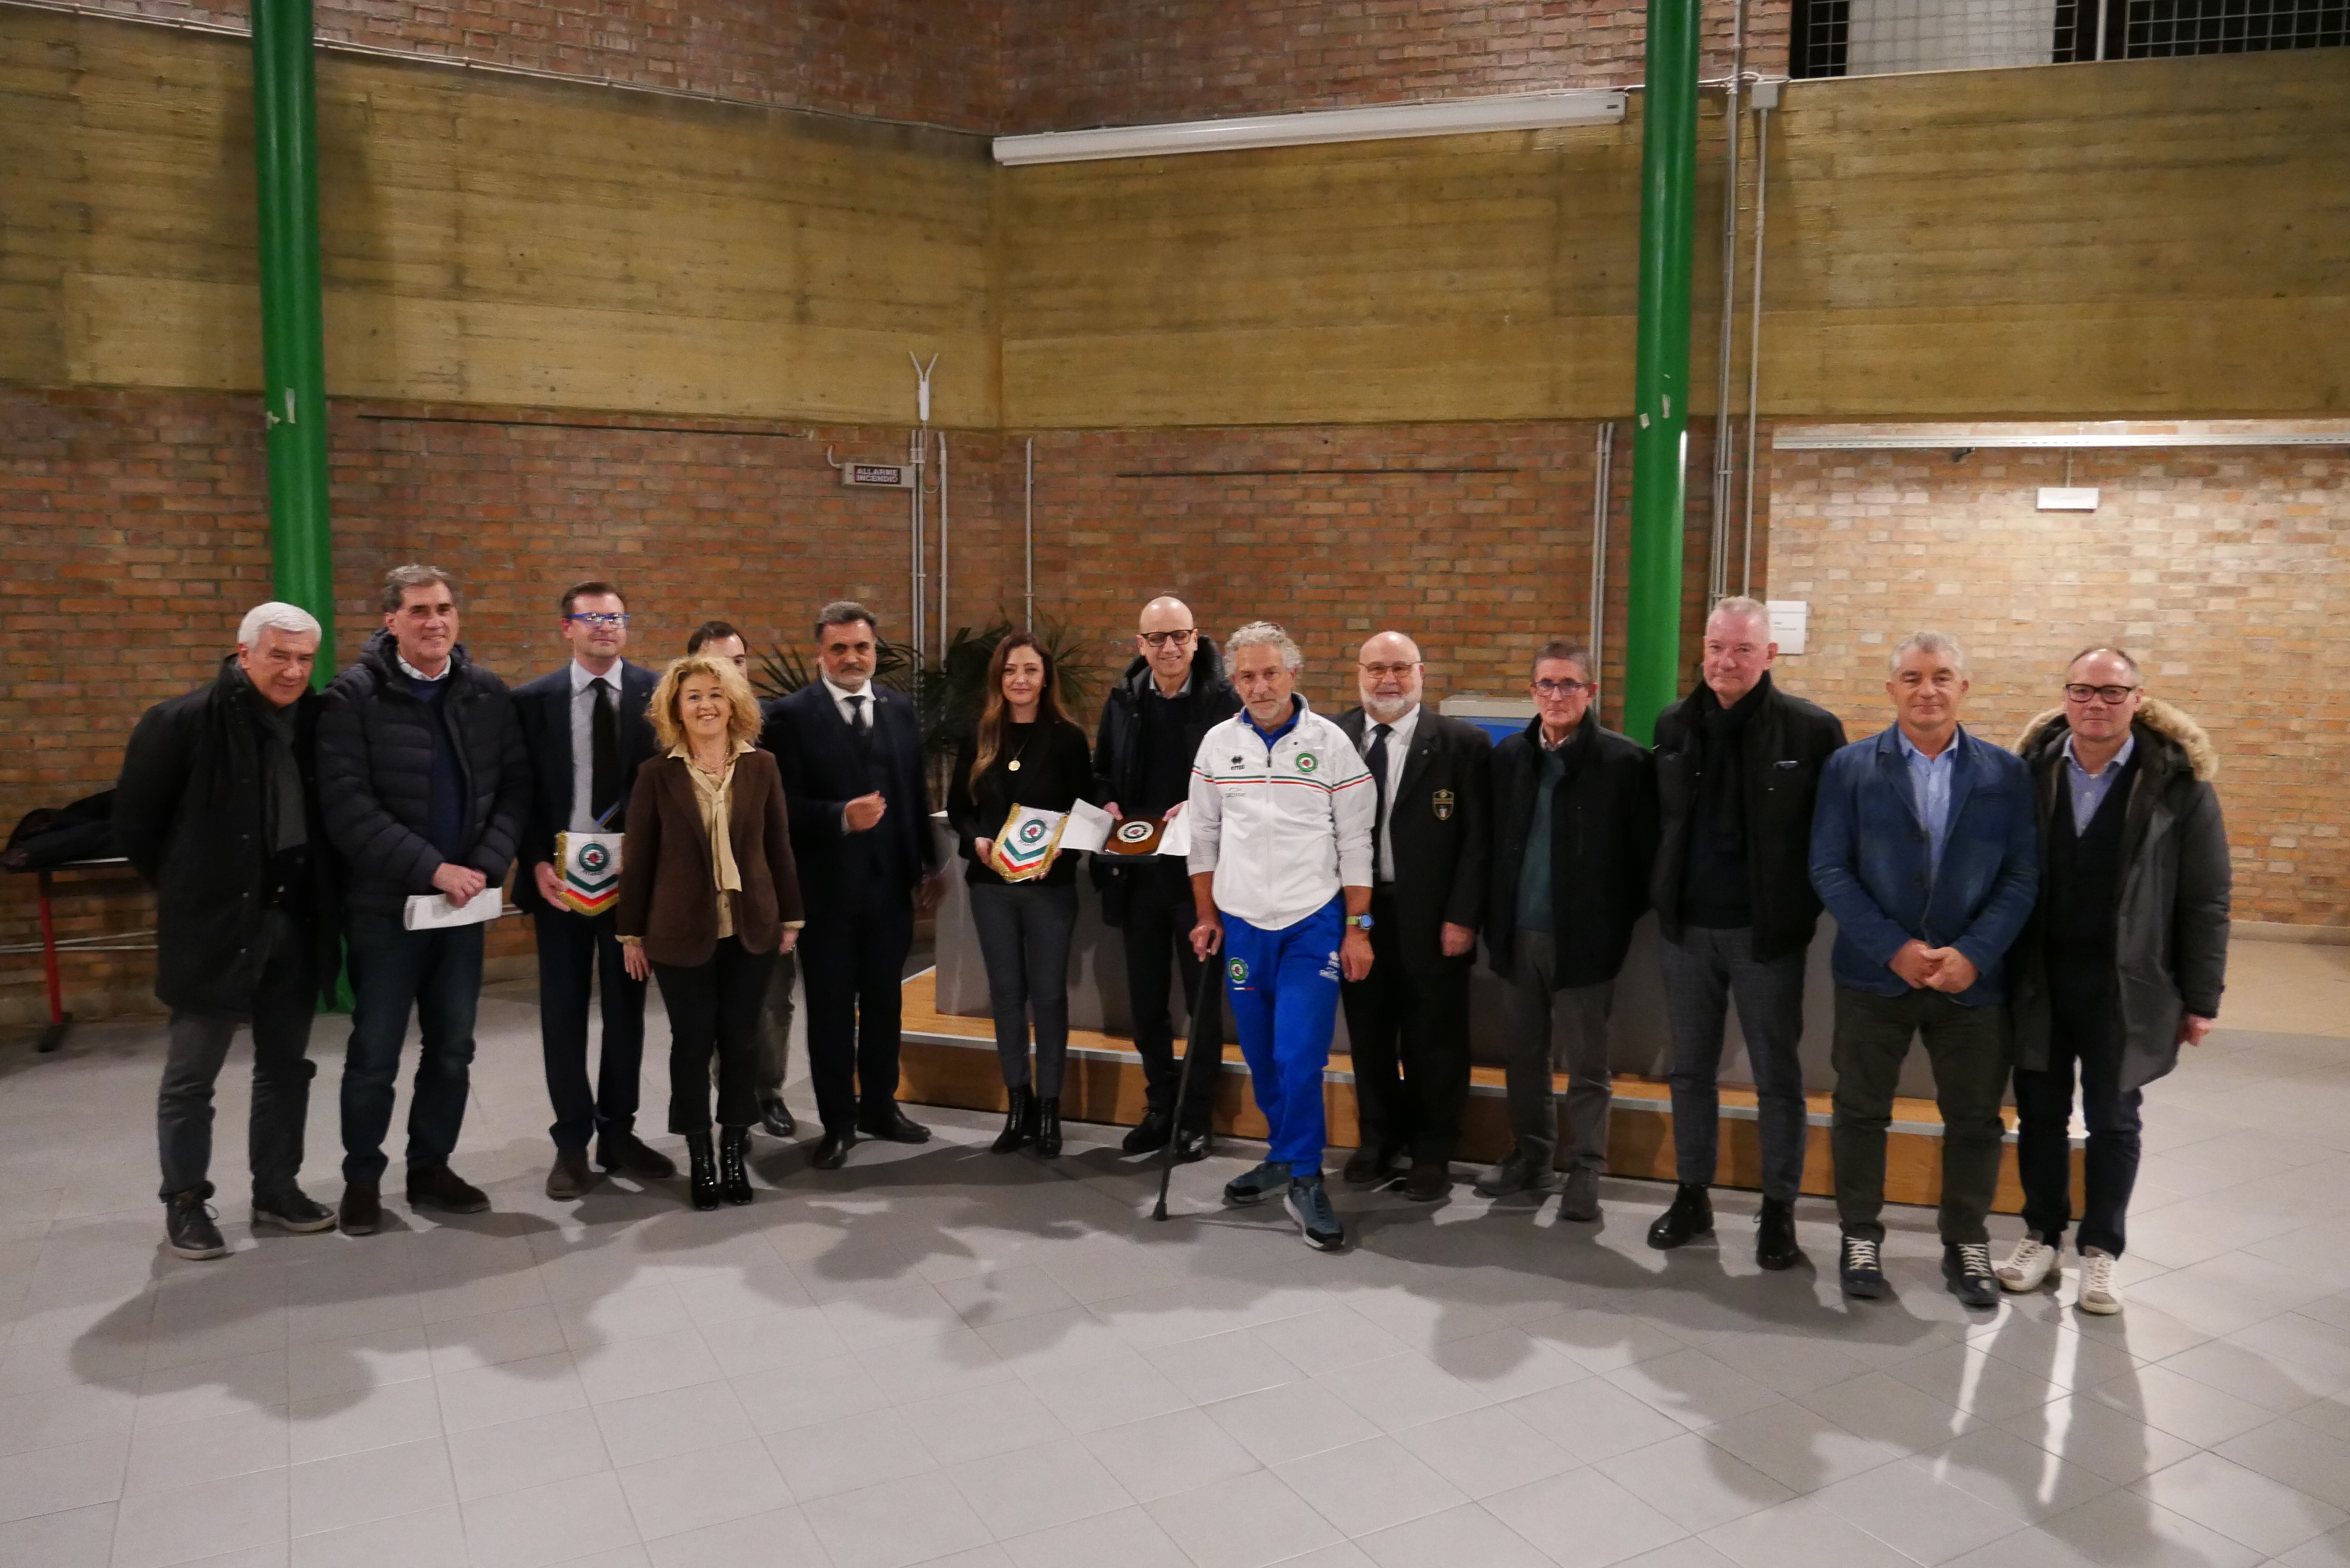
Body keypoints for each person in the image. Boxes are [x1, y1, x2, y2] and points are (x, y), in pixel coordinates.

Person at [1810, 630, 2037, 1308]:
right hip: (1874, 974)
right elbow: (1829, 867)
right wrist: (1893, 948)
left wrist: (1974, 953)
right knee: (1859, 1111)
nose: (1927, 690)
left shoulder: (2005, 774)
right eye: (1911, 677)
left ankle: (1966, 1239)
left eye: (1941, 677)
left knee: (1975, 1119)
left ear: (1963, 688)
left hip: (1971, 980)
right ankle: (1859, 1235)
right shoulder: (1849, 768)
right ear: (1891, 689)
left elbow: (2021, 876)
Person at [2000, 648, 2228, 1315]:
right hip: (2040, 977)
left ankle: (2101, 1250)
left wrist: (2201, 997)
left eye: (2110, 692)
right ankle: (2042, 1235)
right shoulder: (2030, 772)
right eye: (2081, 690)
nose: (2094, 703)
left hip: (2126, 984)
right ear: (2064, 697)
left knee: (2113, 1118)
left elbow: (2206, 900)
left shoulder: (2178, 785)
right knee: (2039, 1113)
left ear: (2137, 699)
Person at [116, 603, 344, 1259]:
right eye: (280, 656)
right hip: (214, 928)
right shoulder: (180, 722)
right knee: (192, 1076)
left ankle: (276, 1189)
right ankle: (185, 1201)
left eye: (304, 659)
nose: (293, 671)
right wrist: (193, 889)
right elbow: (137, 826)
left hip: (295, 921)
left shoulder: (317, 721)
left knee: (285, 1067)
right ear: (244, 654)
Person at [319, 565, 530, 1235]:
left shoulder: (486, 692)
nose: (434, 621)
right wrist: (433, 869)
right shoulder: (352, 697)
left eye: (443, 608)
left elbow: (516, 787)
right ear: (391, 621)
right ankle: (361, 1181)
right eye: (418, 610)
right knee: (375, 1054)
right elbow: (346, 806)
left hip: (462, 909)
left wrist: (485, 867)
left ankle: (431, 1169)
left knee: (452, 1048)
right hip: (385, 909)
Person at [1645, 598, 1847, 1267]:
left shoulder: (1811, 731)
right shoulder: (1673, 724)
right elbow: (1660, 821)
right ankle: (1692, 1194)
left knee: (1776, 1077)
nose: (1725, 661)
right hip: (1686, 932)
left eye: (1741, 649)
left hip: (1767, 937)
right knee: (1689, 1072)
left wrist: (1798, 907)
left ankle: (1778, 1210)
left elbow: (1832, 833)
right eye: (1715, 647)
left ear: (1769, 655)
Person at [1188, 622, 1376, 1252]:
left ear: (1293, 673)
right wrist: (1207, 915)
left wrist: (1358, 928)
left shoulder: (1331, 745)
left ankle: (1304, 1175)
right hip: (1243, 925)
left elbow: (1355, 842)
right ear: (1233, 682)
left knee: (1299, 1054)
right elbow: (1202, 839)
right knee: (1263, 1056)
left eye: (1270, 673)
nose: (1259, 686)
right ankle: (1282, 1154)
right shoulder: (1217, 745)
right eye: (1246, 676)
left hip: (1311, 924)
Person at [1473, 642, 1658, 1224]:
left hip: (1585, 944)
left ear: (1590, 692)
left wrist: (1607, 923)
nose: (1557, 695)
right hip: (1516, 935)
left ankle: (1586, 1168)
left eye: (1569, 684)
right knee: (1524, 1057)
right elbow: (1490, 845)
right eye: (1546, 684)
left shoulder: (1625, 763)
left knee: (1587, 1065)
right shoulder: (1509, 758)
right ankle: (1531, 1158)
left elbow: (1643, 862)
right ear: (1532, 691)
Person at [615, 655, 803, 1209]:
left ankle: (733, 1149)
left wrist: (791, 917)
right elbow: (639, 858)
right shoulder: (657, 774)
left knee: (742, 1042)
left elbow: (778, 845)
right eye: (693, 696)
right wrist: (631, 934)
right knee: (693, 1043)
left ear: (734, 703)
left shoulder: (762, 766)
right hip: (678, 931)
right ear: (676, 708)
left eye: (716, 694)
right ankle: (699, 1154)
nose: (706, 705)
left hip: (751, 928)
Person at [764, 602, 947, 1169]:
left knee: (885, 1005)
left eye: (861, 647)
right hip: (824, 895)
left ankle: (880, 1108)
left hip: (890, 890)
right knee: (831, 1014)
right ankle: (838, 1123)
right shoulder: (790, 716)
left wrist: (929, 865)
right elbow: (781, 807)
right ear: (820, 653)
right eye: (839, 648)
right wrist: (841, 816)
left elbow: (913, 793)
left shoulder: (898, 709)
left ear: (875, 651)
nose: (851, 658)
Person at [512, 581, 672, 1201]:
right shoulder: (533, 702)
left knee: (627, 1010)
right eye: (592, 617)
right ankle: (572, 1142)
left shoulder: (658, 694)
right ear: (566, 628)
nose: (606, 626)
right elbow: (518, 790)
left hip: (631, 880)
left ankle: (618, 1133)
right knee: (563, 1012)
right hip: (559, 882)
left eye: (615, 616)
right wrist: (532, 861)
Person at [1333, 631, 1490, 1201]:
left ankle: (1432, 1150)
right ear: (1359, 673)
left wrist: (1462, 917)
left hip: (1433, 917)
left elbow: (1478, 842)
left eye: (1400, 667)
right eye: (1376, 668)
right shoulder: (1332, 739)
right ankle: (1378, 1138)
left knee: (1434, 1040)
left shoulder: (1461, 744)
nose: (1387, 679)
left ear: (1421, 672)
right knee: (1368, 1033)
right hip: (1358, 915)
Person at [1094, 596, 1239, 1161]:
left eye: (1179, 635)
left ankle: (1194, 1116)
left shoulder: (1224, 703)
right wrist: (1107, 804)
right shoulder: (1123, 699)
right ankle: (1160, 1106)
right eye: (1156, 638)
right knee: (1147, 1004)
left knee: (1202, 1005)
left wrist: (1197, 807)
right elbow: (1102, 771)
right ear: (1141, 645)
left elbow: (1240, 784)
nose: (1169, 647)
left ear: (1196, 638)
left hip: (1198, 882)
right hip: (1137, 880)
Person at [946, 634, 1098, 1158]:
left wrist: (1059, 853)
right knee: (1007, 997)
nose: (1020, 680)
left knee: (1050, 996)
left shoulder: (1067, 739)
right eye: (1011, 670)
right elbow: (960, 809)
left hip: (1048, 887)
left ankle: (1050, 1108)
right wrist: (977, 841)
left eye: (1030, 670)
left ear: (1045, 677)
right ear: (999, 677)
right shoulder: (981, 735)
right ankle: (1019, 1105)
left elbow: (1084, 812)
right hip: (992, 887)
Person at [689, 619, 798, 1141]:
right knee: (719, 1010)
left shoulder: (777, 728)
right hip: (703, 900)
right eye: (716, 663)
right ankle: (733, 1103)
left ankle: (768, 1091)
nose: (730, 673)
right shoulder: (677, 732)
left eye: (737, 662)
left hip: (764, 895)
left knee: (773, 1002)